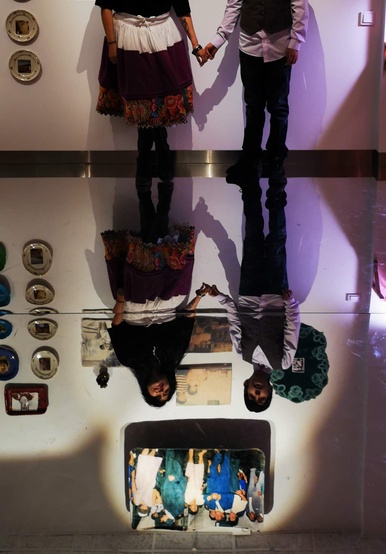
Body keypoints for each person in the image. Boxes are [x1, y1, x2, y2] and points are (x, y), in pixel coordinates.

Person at [95, 0, 207, 183]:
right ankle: (149, 156)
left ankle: (157, 153)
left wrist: (195, 45)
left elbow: (182, 9)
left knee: (159, 99)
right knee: (140, 99)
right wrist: (112, 43)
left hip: (162, 38)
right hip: (128, 39)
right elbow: (105, 6)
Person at [199, 0, 308, 181]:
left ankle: (276, 159)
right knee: (253, 106)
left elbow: (299, 3)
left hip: (281, 48)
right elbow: (233, 7)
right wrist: (216, 42)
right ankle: (249, 160)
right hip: (249, 48)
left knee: (279, 107)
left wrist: (295, 41)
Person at [203, 178, 300, 412]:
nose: (257, 394)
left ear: (246, 385)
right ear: (270, 391)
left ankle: (249, 184)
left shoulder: (242, 353)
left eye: (251, 396)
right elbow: (292, 329)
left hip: (248, 291)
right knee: (277, 239)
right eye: (262, 398)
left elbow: (234, 319)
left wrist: (219, 296)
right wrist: (290, 303)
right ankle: (276, 183)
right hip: (276, 293)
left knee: (253, 236)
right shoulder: (283, 362)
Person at [107, 264, 212, 405]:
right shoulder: (175, 354)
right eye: (166, 392)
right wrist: (199, 296)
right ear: (171, 384)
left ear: (146, 391)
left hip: (136, 303)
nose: (161, 391)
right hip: (168, 300)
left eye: (157, 396)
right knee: (169, 261)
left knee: (141, 263)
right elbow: (187, 319)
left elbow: (117, 327)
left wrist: (120, 300)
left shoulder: (128, 359)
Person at [185, 449, 207, 514]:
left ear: (190, 508)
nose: (194, 507)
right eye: (195, 509)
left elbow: (184, 490)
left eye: (193, 508)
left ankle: (191, 452)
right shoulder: (201, 502)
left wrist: (186, 480)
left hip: (190, 482)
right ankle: (201, 455)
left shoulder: (186, 500)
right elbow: (204, 493)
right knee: (200, 469)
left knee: (190, 466)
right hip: (198, 483)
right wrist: (204, 487)